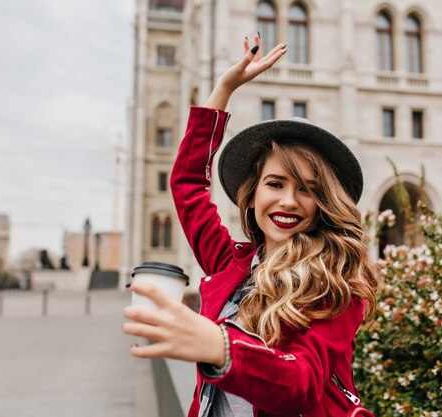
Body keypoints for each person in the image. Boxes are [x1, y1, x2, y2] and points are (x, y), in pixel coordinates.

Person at [122, 34, 379, 417]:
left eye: (308, 190)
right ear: (253, 193)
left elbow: (302, 384)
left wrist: (219, 346)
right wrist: (224, 88)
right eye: (275, 184)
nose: (288, 201)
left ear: (324, 202)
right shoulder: (230, 264)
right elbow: (187, 185)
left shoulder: (339, 282)